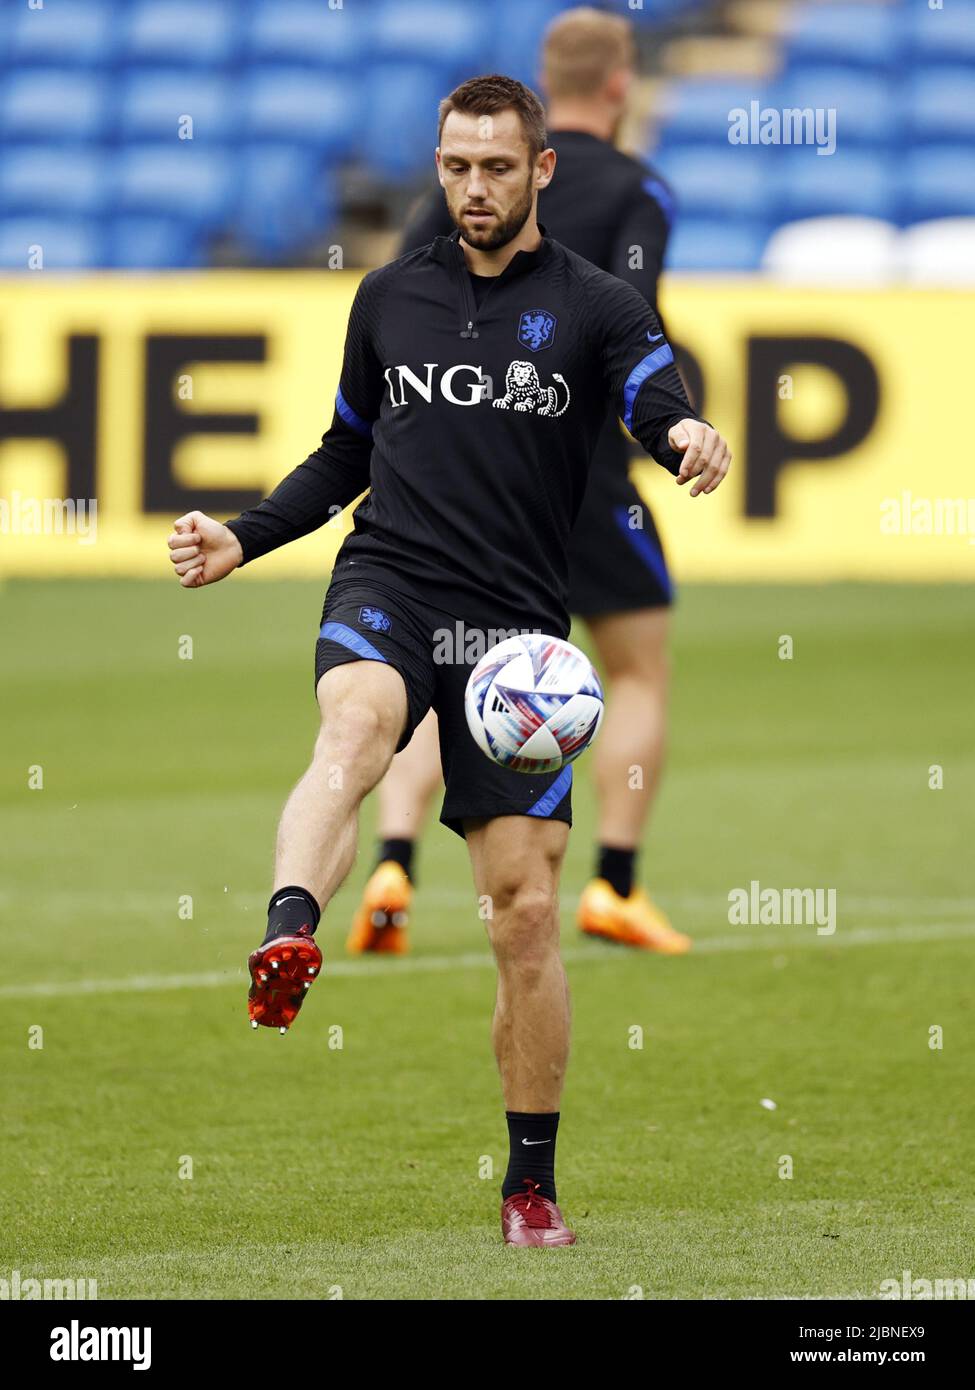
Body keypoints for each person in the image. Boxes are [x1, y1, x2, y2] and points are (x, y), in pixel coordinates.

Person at [167, 74, 730, 1246]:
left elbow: (649, 389)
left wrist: (681, 434)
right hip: (392, 583)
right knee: (357, 725)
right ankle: (289, 929)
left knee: (523, 915)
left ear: (541, 170)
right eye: (455, 166)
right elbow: (342, 456)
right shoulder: (387, 296)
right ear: (437, 166)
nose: (474, 188)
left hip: (521, 641)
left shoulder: (593, 303)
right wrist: (243, 532)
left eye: (496, 167)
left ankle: (532, 1184)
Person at [350, 8, 689, 960]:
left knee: (429, 666)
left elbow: (412, 299)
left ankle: (395, 858)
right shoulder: (637, 189)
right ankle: (615, 883)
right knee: (636, 672)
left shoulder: (458, 186)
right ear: (620, 85)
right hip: (585, 481)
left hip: (461, 483)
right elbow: (638, 327)